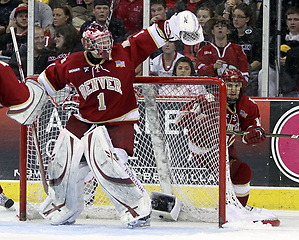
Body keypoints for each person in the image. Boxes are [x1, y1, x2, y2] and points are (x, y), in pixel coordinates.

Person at [35, 11, 203, 227]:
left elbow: (152, 35)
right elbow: (46, 80)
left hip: (119, 122)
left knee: (111, 164)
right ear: (87, 45)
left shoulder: (123, 52)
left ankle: (137, 210)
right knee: (62, 164)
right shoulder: (74, 62)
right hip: (84, 121)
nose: (106, 46)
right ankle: (64, 206)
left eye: (107, 40)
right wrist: (31, 98)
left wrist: (174, 24)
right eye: (100, 42)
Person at [176, 68, 264, 207]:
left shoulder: (248, 105)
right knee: (208, 125)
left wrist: (253, 133)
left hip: (225, 148)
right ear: (222, 84)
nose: (233, 89)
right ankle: (228, 205)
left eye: (236, 85)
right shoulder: (208, 99)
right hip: (203, 148)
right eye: (229, 85)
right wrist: (194, 118)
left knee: (243, 172)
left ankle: (236, 208)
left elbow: (253, 127)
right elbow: (179, 118)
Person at [195, 16, 249, 81]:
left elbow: (244, 74)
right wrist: (213, 67)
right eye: (217, 26)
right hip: (210, 88)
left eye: (223, 26)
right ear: (212, 31)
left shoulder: (237, 50)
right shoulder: (204, 50)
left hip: (232, 89)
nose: (220, 28)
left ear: (228, 31)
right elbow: (198, 71)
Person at [229, 4, 262, 96]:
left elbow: (259, 59)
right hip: (233, 70)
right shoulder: (230, 36)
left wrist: (246, 70)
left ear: (247, 19)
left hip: (251, 71)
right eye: (234, 16)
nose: (235, 19)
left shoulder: (255, 36)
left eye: (239, 17)